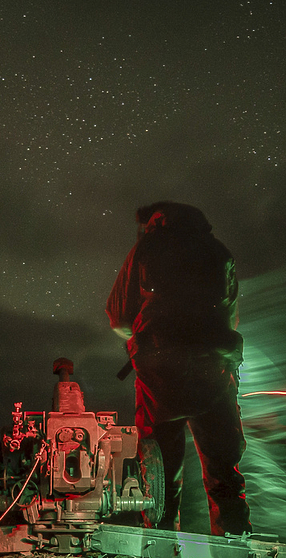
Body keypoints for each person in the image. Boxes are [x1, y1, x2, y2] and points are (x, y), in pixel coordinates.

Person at [106, 201, 252, 535]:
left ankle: (161, 548)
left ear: (154, 221)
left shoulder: (146, 248)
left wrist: (145, 339)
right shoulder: (219, 252)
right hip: (213, 371)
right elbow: (230, 313)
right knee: (223, 468)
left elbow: (118, 316)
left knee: (160, 471)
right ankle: (235, 544)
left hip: (160, 373)